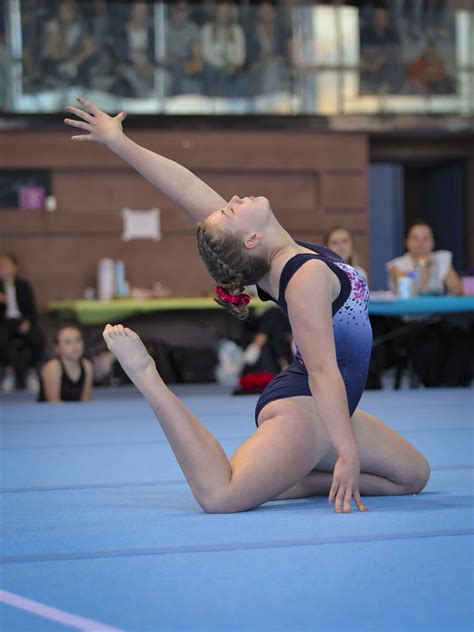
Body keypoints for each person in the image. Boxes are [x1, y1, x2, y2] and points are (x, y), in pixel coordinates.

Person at [64, 97, 430, 514]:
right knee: (221, 496)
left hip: (334, 406)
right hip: (306, 408)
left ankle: (292, 479)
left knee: (412, 476)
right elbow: (325, 370)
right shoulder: (302, 276)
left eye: (227, 206)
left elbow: (185, 187)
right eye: (230, 210)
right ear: (250, 238)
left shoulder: (276, 253)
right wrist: (346, 451)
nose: (232, 199)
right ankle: (149, 379)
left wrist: (118, 141)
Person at [386, 220, 470, 387]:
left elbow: (457, 290)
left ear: (432, 242)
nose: (420, 243)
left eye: (425, 238)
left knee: (463, 340)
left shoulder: (441, 259)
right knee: (429, 345)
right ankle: (434, 386)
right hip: (410, 324)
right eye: (415, 238)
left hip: (436, 321)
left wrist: (441, 268)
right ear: (407, 242)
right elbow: (412, 293)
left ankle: (451, 385)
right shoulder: (398, 265)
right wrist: (423, 267)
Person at [0, 253, 45, 392]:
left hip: (22, 320)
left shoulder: (23, 285)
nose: (3, 268)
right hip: (4, 322)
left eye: (7, 265)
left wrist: (28, 322)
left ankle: (31, 370)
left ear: (15, 267)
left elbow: (32, 309)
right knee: (2, 338)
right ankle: (9, 371)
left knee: (38, 338)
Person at [38, 323, 93, 402]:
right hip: (49, 413)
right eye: (67, 342)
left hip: (75, 412)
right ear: (57, 348)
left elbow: (86, 399)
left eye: (78, 340)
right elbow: (53, 402)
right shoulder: (52, 368)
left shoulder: (87, 366)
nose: (75, 345)